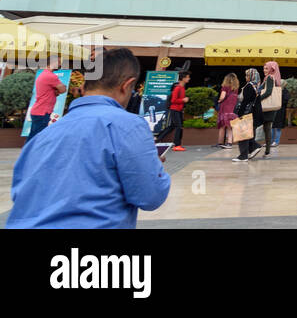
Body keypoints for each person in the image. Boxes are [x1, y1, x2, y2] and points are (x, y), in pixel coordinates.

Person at [7, 48, 170, 228]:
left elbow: (21, 195)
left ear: (84, 87)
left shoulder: (41, 136)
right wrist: (153, 167)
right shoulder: (128, 125)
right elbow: (150, 196)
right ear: (126, 85)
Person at [26, 57, 68, 142]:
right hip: (42, 112)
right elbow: (63, 89)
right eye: (59, 62)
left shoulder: (44, 74)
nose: (60, 64)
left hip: (39, 111)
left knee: (33, 137)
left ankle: (27, 153)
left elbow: (57, 90)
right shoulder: (50, 76)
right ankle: (30, 153)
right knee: (38, 138)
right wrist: (58, 90)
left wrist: (56, 91)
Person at [233, 67, 267, 163]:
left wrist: (240, 114)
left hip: (247, 114)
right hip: (254, 114)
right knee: (247, 135)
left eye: (247, 75)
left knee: (242, 135)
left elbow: (245, 102)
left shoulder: (249, 86)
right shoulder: (256, 87)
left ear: (251, 76)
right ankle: (254, 147)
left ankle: (243, 156)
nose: (245, 77)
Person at [155, 70, 190, 151]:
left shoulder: (182, 88)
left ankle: (157, 138)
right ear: (183, 78)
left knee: (172, 126)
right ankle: (177, 145)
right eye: (188, 77)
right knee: (179, 126)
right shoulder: (177, 88)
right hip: (175, 109)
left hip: (179, 110)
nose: (189, 79)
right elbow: (173, 100)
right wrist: (183, 100)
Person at [259, 61, 283, 155]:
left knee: (265, 127)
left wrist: (258, 98)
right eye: (264, 68)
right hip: (271, 107)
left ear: (271, 69)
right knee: (267, 128)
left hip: (267, 107)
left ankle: (255, 147)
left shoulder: (269, 78)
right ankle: (267, 150)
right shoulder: (275, 78)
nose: (264, 70)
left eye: (266, 68)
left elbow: (268, 92)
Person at [215, 73, 239, 149]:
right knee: (229, 127)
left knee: (222, 126)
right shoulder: (235, 89)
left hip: (225, 109)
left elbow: (222, 96)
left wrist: (219, 100)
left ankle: (220, 142)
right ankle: (229, 143)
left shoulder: (225, 87)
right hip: (232, 110)